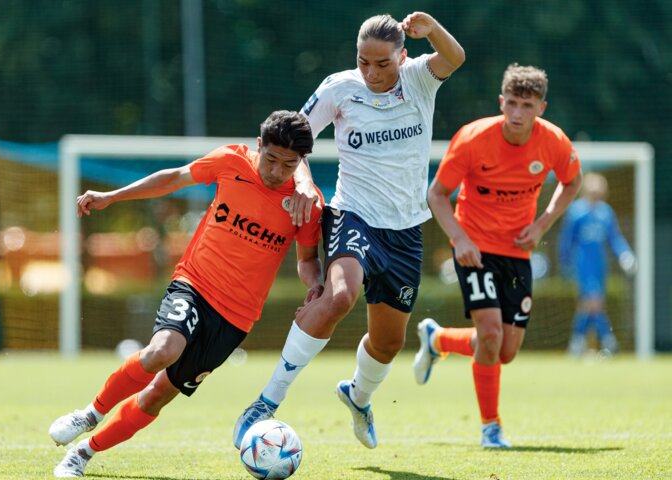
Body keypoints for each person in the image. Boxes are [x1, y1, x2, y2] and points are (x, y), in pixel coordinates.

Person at [48, 110, 324, 478]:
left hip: (236, 318)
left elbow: (307, 260)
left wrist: (316, 287)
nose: (276, 171)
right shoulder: (231, 161)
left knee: (157, 396)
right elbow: (172, 179)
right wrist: (112, 197)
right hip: (195, 284)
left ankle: (82, 454)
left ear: (301, 162)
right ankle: (90, 414)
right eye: (271, 159)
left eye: (288, 165)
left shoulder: (307, 204)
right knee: (163, 350)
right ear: (259, 146)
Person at [234, 12, 465, 450]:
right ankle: (265, 403)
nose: (372, 73)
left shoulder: (420, 79)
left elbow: (455, 57)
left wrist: (432, 27)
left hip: (405, 230)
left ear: (403, 55)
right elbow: (296, 143)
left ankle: (358, 398)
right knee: (340, 296)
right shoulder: (338, 88)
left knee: (389, 341)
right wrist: (302, 181)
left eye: (383, 64)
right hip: (352, 214)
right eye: (364, 62)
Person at [412, 63, 583, 448]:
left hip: (517, 252)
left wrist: (541, 226)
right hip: (474, 248)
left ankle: (437, 339)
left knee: (504, 352)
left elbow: (573, 182)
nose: (518, 113)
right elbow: (436, 194)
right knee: (489, 334)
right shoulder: (473, 139)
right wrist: (460, 239)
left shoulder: (554, 141)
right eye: (512, 103)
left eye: (527, 105)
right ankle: (491, 427)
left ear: (541, 107)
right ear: (500, 102)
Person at [558, 172, 636, 357]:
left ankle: (577, 343)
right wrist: (565, 262)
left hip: (600, 265)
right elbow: (566, 240)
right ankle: (608, 341)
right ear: (586, 189)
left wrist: (625, 254)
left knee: (589, 305)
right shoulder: (576, 212)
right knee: (594, 302)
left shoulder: (606, 213)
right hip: (582, 264)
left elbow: (614, 238)